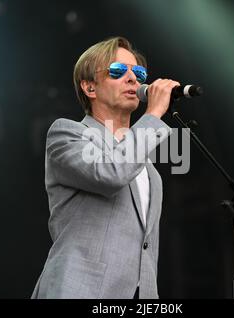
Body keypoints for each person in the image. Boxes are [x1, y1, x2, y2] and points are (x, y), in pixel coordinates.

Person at [31, 36, 180, 299]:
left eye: (139, 73)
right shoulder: (67, 134)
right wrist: (153, 115)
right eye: (118, 71)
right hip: (79, 290)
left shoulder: (143, 164)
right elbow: (109, 173)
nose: (133, 79)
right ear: (90, 88)